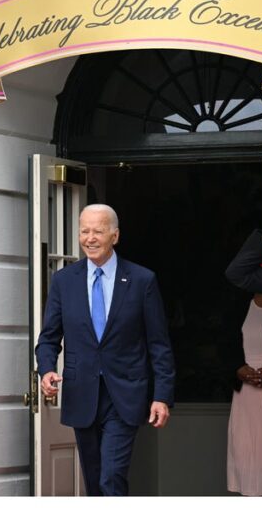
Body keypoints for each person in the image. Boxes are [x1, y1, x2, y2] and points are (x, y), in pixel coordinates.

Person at [35, 204, 175, 496]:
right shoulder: (64, 281)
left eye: (98, 231)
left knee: (111, 477)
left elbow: (159, 344)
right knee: (95, 479)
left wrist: (161, 396)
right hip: (81, 393)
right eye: (84, 231)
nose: (90, 238)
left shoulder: (141, 280)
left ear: (115, 235)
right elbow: (49, 337)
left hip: (125, 395)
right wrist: (47, 370)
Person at [226, 294, 262, 496]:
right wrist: (236, 367)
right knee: (246, 452)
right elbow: (225, 343)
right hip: (245, 391)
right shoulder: (239, 304)